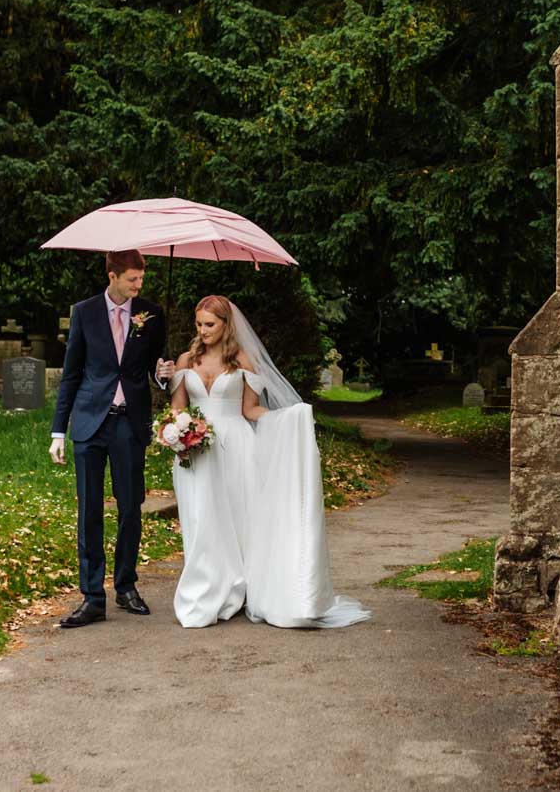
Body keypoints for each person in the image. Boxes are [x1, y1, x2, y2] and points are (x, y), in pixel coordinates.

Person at [168, 295, 371, 630]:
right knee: (200, 519)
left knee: (236, 518)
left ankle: (238, 588)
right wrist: (175, 429)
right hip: (195, 449)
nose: (202, 331)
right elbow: (177, 407)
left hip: (235, 446)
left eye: (210, 325)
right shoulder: (186, 360)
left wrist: (288, 418)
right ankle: (205, 590)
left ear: (226, 325)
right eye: (199, 324)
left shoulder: (242, 361)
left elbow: (251, 410)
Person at [49, 250, 176, 628]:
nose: (139, 286)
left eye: (141, 280)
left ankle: (126, 586)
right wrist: (59, 430)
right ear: (113, 276)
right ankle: (92, 597)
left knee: (130, 508)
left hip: (129, 423)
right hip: (89, 423)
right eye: (132, 280)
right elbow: (71, 374)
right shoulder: (84, 312)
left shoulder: (151, 314)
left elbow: (157, 369)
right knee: (89, 510)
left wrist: (164, 374)